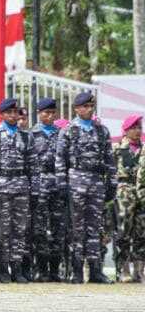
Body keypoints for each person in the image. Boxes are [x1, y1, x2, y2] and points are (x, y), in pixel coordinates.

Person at [55, 92, 116, 284]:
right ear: (77, 109)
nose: (90, 110)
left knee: (95, 227)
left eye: (92, 106)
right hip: (76, 182)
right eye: (86, 107)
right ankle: (77, 271)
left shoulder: (101, 131)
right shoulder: (68, 131)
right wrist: (62, 185)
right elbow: (60, 160)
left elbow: (109, 159)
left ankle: (96, 270)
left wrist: (111, 183)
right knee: (77, 228)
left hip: (96, 182)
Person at [0, 98, 37, 283]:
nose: (13, 116)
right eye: (9, 112)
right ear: (2, 114)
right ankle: (3, 270)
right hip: (1, 187)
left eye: (16, 112)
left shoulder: (27, 136)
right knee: (3, 231)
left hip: (21, 186)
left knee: (20, 230)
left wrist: (33, 189)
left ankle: (17, 269)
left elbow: (33, 166)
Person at [29, 98, 62, 282]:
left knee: (58, 228)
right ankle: (41, 270)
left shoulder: (62, 134)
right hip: (39, 184)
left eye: (52, 113)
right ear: (39, 113)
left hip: (57, 184)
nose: (50, 116)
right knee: (39, 229)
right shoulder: (31, 135)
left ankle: (55, 270)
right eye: (46, 113)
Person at [114, 115, 142, 282]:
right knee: (123, 232)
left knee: (141, 232)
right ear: (126, 129)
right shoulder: (117, 148)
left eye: (139, 127)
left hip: (141, 194)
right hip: (123, 194)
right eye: (134, 127)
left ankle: (139, 270)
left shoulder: (144, 148)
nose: (138, 131)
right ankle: (123, 269)